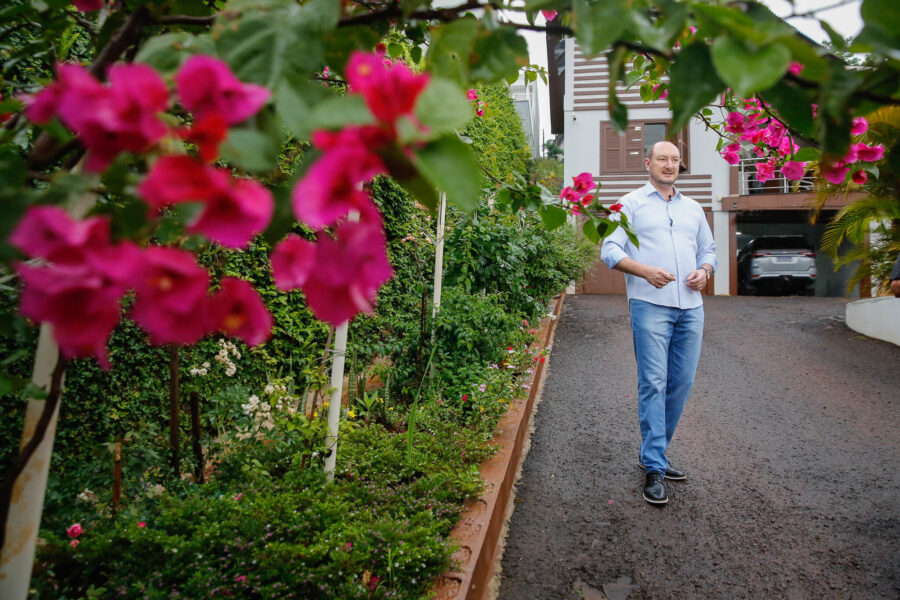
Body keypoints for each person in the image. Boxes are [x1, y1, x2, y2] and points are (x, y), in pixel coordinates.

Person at [600, 141, 717, 506]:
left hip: (691, 307)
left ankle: (655, 453)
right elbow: (609, 250)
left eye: (675, 160)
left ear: (680, 166)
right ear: (647, 162)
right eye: (662, 159)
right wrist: (645, 271)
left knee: (681, 382)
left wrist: (705, 271)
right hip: (650, 305)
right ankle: (653, 464)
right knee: (653, 381)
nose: (669, 165)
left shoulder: (694, 208)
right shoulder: (629, 203)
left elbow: (708, 250)